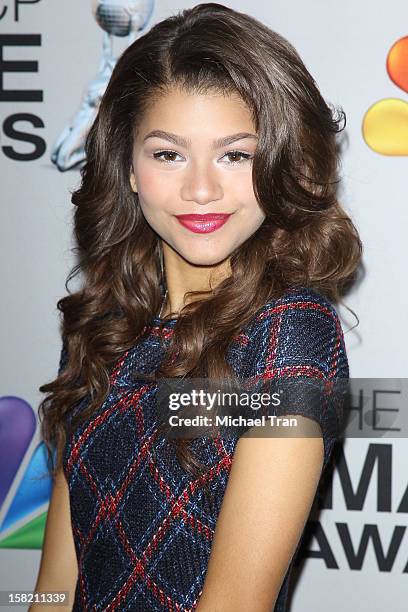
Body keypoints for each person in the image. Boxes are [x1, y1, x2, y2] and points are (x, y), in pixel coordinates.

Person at [32, 3, 362, 611]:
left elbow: (236, 604)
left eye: (236, 154)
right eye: (168, 154)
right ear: (128, 167)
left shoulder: (289, 335)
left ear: (280, 162)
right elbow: (54, 590)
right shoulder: (102, 324)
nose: (202, 189)